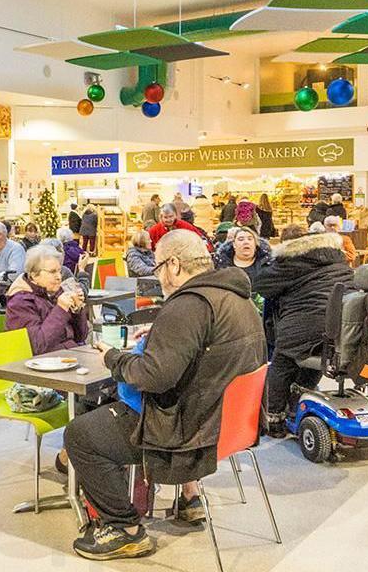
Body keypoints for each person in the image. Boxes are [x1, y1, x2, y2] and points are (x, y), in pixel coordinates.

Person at [65, 231, 265, 561]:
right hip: (226, 423)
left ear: (173, 264)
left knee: (81, 434)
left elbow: (153, 377)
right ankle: (189, 497)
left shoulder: (188, 305)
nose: (158, 277)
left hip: (186, 429)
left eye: (158, 268)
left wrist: (113, 358)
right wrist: (161, 334)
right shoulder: (236, 297)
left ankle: (124, 529)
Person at [254, 229, 353, 435]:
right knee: (321, 357)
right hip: (340, 326)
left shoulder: (290, 260)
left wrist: (268, 260)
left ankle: (273, 418)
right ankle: (297, 405)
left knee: (282, 363)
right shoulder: (336, 255)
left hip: (304, 324)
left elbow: (261, 284)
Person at [4, 245, 87, 355]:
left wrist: (77, 309)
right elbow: (38, 346)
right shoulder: (20, 301)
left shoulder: (56, 292)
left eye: (59, 271)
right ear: (34, 275)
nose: (59, 277)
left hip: (68, 356)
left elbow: (81, 336)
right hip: (38, 365)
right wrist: (61, 309)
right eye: (52, 272)